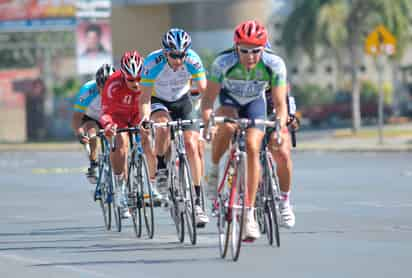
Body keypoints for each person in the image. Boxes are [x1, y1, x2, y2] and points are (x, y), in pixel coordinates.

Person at [202, 20, 292, 240]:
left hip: (255, 103)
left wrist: (279, 127)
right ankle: (213, 170)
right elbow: (207, 103)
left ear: (264, 49)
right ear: (236, 47)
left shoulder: (274, 64)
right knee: (227, 128)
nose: (250, 56)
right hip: (229, 101)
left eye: (256, 51)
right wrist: (208, 124)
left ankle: (249, 214)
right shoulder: (222, 63)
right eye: (244, 51)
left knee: (253, 146)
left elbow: (281, 105)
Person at [139, 28, 209, 226]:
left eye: (182, 55)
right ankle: (161, 165)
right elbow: (144, 97)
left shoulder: (193, 60)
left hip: (183, 101)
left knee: (192, 145)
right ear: (165, 52)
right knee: (162, 126)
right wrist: (145, 118)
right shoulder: (153, 62)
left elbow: (204, 91)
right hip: (159, 100)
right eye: (174, 56)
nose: (179, 60)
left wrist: (207, 115)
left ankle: (197, 202)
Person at [100, 50, 159, 218]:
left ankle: (152, 185)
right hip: (117, 116)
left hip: (138, 114)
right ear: (123, 75)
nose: (136, 83)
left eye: (139, 79)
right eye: (131, 80)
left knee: (148, 138)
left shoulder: (149, 78)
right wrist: (108, 124)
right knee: (121, 144)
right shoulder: (113, 84)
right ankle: (120, 189)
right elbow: (104, 112)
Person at [72, 63, 115, 184]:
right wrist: (79, 132)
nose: (105, 91)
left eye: (109, 87)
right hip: (92, 117)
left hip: (111, 117)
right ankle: (94, 164)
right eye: (102, 87)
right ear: (97, 85)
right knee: (92, 133)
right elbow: (76, 117)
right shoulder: (88, 90)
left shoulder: (119, 89)